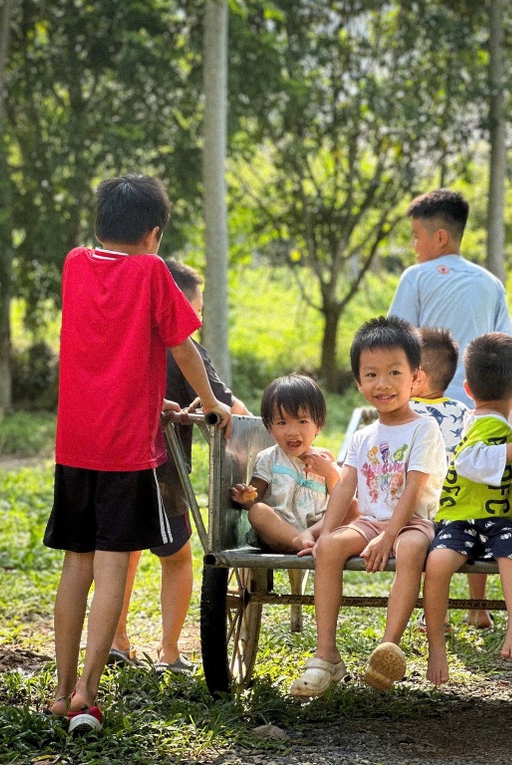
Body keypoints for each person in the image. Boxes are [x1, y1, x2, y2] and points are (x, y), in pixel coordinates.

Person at [42, 174, 232, 736]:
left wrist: (157, 397)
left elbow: (111, 350)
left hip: (75, 444)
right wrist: (209, 402)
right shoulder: (152, 271)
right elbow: (183, 346)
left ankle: (58, 690)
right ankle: (86, 696)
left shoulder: (76, 263)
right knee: (111, 566)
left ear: (100, 224)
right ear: (154, 235)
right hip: (126, 451)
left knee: (75, 566)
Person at [289, 316, 446, 698]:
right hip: (372, 522)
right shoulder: (363, 436)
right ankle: (326, 654)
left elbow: (414, 487)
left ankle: (387, 649)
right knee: (328, 548)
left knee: (409, 550)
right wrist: (326, 534)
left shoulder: (423, 428)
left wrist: (390, 535)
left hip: (411, 523)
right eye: (371, 375)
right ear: (359, 383)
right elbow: (344, 489)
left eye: (394, 372)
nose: (383, 383)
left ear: (416, 379)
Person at [110, 259, 249, 673]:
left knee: (124, 553)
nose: (200, 316)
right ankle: (169, 652)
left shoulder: (124, 339)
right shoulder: (183, 348)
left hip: (115, 462)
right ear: (179, 304)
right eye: (198, 307)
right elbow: (230, 410)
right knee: (177, 557)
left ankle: (117, 641)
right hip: (162, 472)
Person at [423, 333, 512, 685]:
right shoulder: (488, 424)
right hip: (463, 517)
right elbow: (467, 462)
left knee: (509, 556)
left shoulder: (497, 417)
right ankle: (438, 645)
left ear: (468, 389)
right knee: (448, 563)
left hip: (491, 519)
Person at [388, 189, 512, 406]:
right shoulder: (491, 284)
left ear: (440, 237)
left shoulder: (416, 277)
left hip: (426, 407)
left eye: (416, 237)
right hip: (479, 408)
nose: (414, 246)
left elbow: (393, 345)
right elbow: (508, 351)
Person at [406, 327, 486, 631]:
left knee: (429, 536)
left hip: (421, 507)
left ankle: (433, 615)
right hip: (464, 507)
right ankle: (478, 609)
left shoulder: (406, 411)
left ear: (417, 377)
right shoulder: (465, 413)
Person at [230, 374, 350, 553]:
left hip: (318, 531)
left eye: (302, 421)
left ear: (318, 425)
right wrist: (245, 498)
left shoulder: (324, 459)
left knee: (353, 507)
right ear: (270, 427)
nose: (292, 431)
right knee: (258, 512)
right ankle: (299, 540)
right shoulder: (268, 459)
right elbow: (254, 499)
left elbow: (340, 498)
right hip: (279, 535)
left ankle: (309, 538)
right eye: (282, 422)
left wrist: (331, 473)